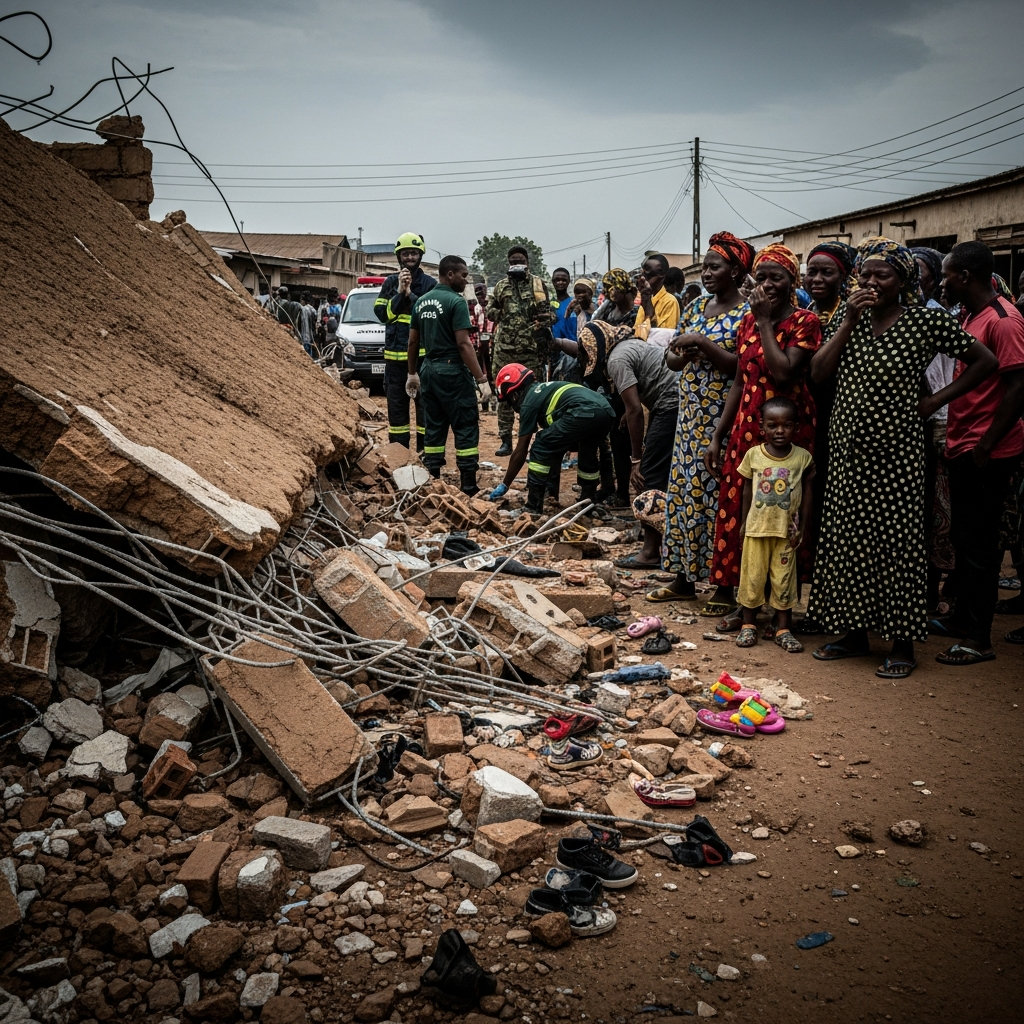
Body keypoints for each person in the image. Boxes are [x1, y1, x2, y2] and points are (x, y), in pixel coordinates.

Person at [807, 237, 997, 679]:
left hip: (898, 456)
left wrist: (934, 402)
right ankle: (853, 634)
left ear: (903, 279)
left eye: (883, 274)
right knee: (848, 539)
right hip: (848, 452)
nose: (871, 282)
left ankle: (902, 644)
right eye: (866, 273)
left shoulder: (922, 323)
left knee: (897, 544)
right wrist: (848, 320)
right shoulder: (848, 319)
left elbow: (985, 361)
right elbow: (818, 373)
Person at [705, 243, 821, 629]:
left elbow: (784, 372)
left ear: (792, 282)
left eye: (777, 278)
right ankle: (747, 604)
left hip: (788, 434)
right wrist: (718, 435)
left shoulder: (805, 321)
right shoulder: (748, 323)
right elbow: (740, 380)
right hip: (747, 430)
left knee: (785, 519)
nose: (768, 285)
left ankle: (782, 609)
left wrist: (767, 322)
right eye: (763, 277)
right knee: (743, 516)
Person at [648, 231, 752, 609]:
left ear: (736, 271)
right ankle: (683, 578)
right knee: (684, 496)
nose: (707, 273)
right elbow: (671, 359)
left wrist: (705, 346)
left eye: (715, 267)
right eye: (705, 267)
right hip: (689, 417)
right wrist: (684, 354)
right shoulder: (695, 308)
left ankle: (723, 587)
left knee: (718, 500)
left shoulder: (746, 314)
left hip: (724, 417)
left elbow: (743, 368)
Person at [933, 241, 1024, 665]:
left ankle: (978, 639)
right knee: (964, 537)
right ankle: (962, 621)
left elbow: (1018, 386)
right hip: (963, 440)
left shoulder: (1004, 320)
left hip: (986, 447)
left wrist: (987, 445)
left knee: (980, 546)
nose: (942, 282)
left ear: (964, 277)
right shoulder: (971, 316)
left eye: (947, 274)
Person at [798, 240, 857, 633]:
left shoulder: (850, 317)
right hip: (807, 422)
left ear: (844, 277)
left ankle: (832, 610)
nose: (817, 279)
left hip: (841, 424)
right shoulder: (808, 314)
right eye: (812, 271)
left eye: (827, 272)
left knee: (833, 519)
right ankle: (816, 606)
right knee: (810, 517)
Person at [405, 256, 492, 497]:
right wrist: (482, 380)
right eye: (463, 275)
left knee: (434, 426)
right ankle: (468, 485)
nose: (466, 281)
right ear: (450, 274)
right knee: (464, 424)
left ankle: (433, 482)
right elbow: (464, 344)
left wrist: (412, 374)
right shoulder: (456, 302)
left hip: (429, 370)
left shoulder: (421, 302)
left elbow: (412, 341)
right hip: (452, 370)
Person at [734, 397, 815, 653]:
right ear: (762, 427)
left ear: (796, 428)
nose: (779, 431)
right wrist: (744, 523)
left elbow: (808, 493)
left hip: (785, 533)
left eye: (786, 425)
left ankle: (783, 629)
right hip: (756, 530)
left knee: (784, 580)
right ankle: (748, 625)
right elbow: (747, 490)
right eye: (773, 425)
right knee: (752, 578)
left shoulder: (802, 458)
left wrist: (803, 526)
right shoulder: (753, 455)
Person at [488, 364, 615, 513]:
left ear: (514, 395)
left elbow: (521, 450)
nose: (513, 407)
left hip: (583, 411)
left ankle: (532, 507)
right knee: (587, 449)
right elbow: (559, 444)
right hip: (606, 411)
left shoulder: (529, 401)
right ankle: (588, 502)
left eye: (509, 401)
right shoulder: (544, 390)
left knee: (541, 445)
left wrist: (505, 484)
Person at [603, 331, 681, 568]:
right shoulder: (629, 347)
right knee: (666, 472)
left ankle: (650, 552)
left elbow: (636, 409)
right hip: (676, 395)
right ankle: (664, 543)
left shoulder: (615, 360)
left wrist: (636, 459)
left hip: (670, 400)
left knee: (649, 474)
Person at [913, 245, 956, 610]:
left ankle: (930, 595)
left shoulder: (933, 316)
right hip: (917, 425)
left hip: (935, 425)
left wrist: (935, 407)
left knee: (931, 512)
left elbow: (947, 373)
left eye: (919, 270)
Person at [487, 246, 555, 456]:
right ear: (508, 263)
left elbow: (552, 314)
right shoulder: (500, 286)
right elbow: (489, 312)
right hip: (505, 350)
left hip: (530, 349)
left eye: (521, 260)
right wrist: (502, 311)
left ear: (528, 263)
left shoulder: (538, 284)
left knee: (535, 394)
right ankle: (506, 439)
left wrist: (545, 318)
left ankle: (536, 439)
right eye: (513, 261)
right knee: (504, 396)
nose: (517, 264)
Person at [374, 233, 437, 449]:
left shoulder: (430, 284)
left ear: (420, 255)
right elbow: (383, 314)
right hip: (394, 362)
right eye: (405, 253)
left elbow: (428, 316)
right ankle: (399, 456)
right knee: (397, 412)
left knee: (425, 410)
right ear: (399, 256)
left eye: (413, 253)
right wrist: (399, 293)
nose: (410, 257)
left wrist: (410, 295)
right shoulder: (391, 282)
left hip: (421, 360)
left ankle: (424, 455)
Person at [635, 253, 680, 330]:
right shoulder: (646, 299)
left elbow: (663, 337)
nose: (643, 273)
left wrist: (649, 313)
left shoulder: (670, 302)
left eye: (647, 269)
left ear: (662, 274)